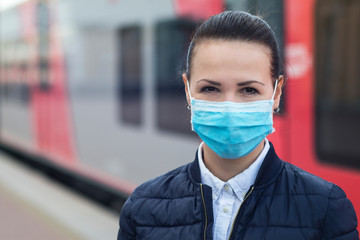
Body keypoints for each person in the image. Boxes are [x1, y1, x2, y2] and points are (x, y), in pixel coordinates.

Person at [117, 11, 358, 240]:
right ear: (188, 90)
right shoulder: (142, 208)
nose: (229, 106)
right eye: (210, 89)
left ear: (276, 93)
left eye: (249, 90)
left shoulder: (327, 209)